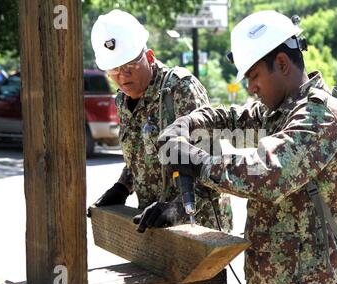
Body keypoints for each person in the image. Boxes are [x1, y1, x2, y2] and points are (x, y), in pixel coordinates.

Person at [154, 10, 337, 284]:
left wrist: (197, 163)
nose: (250, 87)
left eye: (254, 75)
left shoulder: (321, 116)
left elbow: (269, 174)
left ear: (283, 63)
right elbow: (231, 118)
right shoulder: (279, 111)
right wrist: (187, 123)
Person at [88, 9, 232, 233]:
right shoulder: (122, 101)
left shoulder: (180, 90)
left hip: (199, 227)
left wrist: (176, 209)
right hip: (153, 225)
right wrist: (123, 186)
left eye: (129, 67)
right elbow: (140, 155)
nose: (123, 77)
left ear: (150, 57)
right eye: (114, 70)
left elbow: (212, 165)